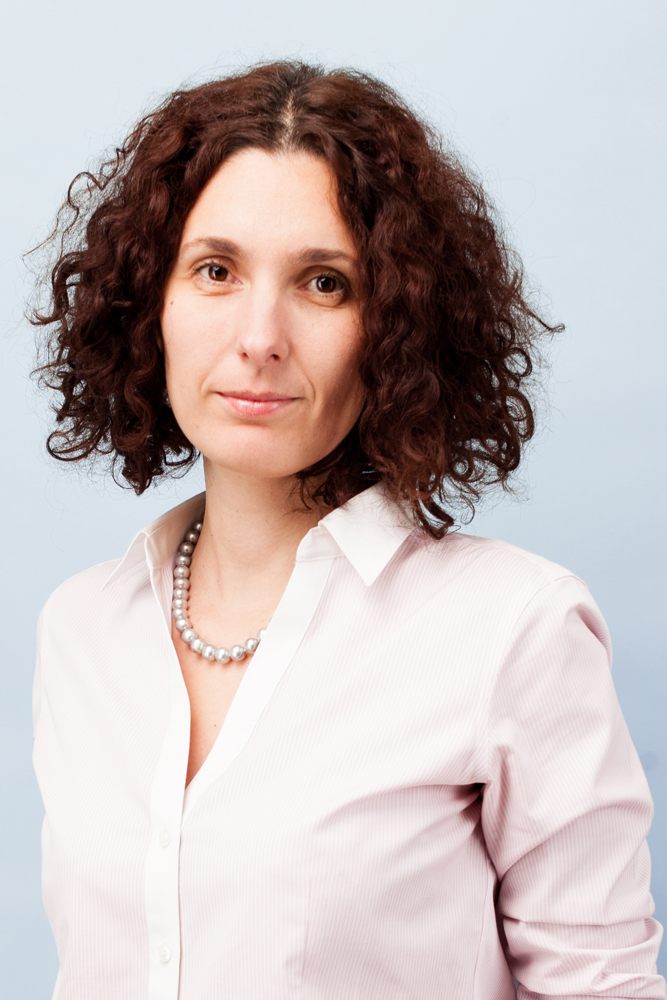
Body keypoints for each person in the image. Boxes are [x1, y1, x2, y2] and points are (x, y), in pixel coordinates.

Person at [31, 60, 665, 1000]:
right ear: (147, 303)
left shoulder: (513, 630)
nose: (259, 336)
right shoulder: (81, 628)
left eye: (324, 283)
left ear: (396, 328)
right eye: (215, 270)